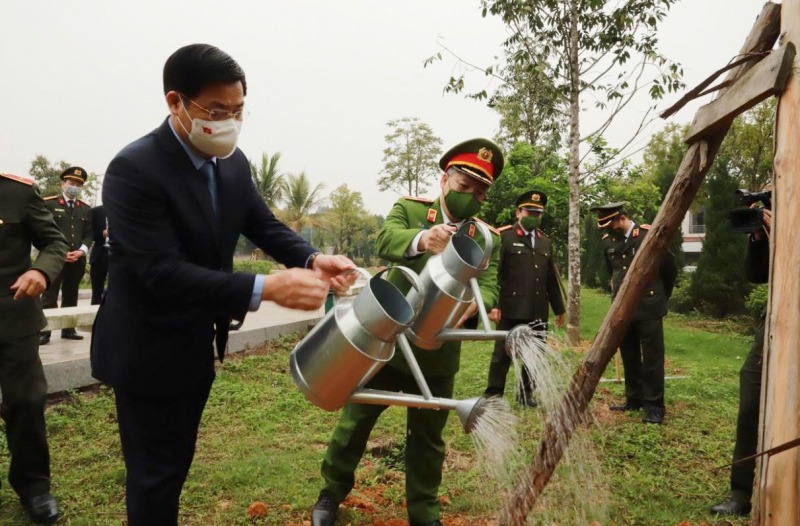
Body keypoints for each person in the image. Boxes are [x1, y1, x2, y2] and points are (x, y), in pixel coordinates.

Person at [89, 43, 356, 525]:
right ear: (175, 102)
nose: (228, 121)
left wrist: (315, 257)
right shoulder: (135, 170)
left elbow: (261, 222)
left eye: (237, 111)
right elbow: (159, 272)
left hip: (195, 342)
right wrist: (266, 289)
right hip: (145, 346)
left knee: (175, 466)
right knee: (153, 475)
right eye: (215, 110)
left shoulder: (231, 160)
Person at [312, 138, 503, 526]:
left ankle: (424, 513)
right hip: (386, 341)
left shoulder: (486, 237)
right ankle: (330, 494)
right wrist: (421, 240)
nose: (471, 198)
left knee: (429, 439)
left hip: (437, 350)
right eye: (465, 187)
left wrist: (474, 304)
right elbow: (385, 239)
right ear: (445, 180)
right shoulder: (413, 210)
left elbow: (491, 283)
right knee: (355, 421)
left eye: (480, 193)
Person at [0, 171, 67, 524]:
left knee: (25, 402)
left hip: (11, 314)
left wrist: (41, 272)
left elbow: (55, 243)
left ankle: (34, 488)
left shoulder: (16, 192)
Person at [590, 202, 677, 424]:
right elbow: (614, 273)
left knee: (652, 359)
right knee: (629, 355)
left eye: (610, 224)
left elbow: (669, 269)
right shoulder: (608, 241)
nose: (607, 230)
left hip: (649, 306)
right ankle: (634, 399)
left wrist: (659, 297)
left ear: (622, 217)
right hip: (622, 309)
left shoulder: (648, 236)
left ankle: (654, 406)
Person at [710, 206, 771, 517]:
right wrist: (761, 237)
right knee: (751, 400)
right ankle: (741, 492)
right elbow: (757, 275)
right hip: (776, 325)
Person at [484, 190, 566, 407]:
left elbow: (550, 278)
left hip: (537, 308)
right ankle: (493, 395)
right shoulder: (505, 237)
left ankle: (525, 393)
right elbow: (495, 275)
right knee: (502, 355)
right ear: (518, 213)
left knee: (535, 355)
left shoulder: (545, 242)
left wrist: (559, 308)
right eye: (529, 211)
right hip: (510, 308)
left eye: (538, 213)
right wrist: (494, 306)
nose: (534, 216)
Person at [39, 166, 93, 344]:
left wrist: (82, 250)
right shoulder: (49, 204)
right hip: (54, 258)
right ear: (62, 184)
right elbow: (43, 230)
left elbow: (89, 233)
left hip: (77, 259)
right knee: (49, 294)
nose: (74, 187)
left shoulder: (85, 208)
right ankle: (44, 331)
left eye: (78, 184)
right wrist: (61, 252)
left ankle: (68, 329)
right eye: (71, 183)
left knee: (71, 293)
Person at [89, 204, 109, 305]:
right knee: (97, 290)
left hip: (119, 254)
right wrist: (102, 233)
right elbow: (90, 233)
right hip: (100, 254)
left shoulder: (125, 210)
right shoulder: (96, 211)